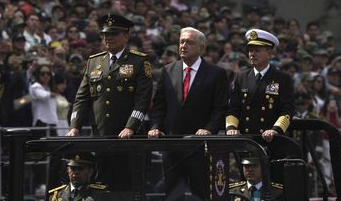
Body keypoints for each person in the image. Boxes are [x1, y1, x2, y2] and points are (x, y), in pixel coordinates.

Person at [67, 14, 153, 192]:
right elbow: (81, 98)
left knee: (129, 187)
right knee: (102, 186)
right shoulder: (94, 62)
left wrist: (131, 126)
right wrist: (75, 125)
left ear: (126, 36)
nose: (108, 38)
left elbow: (143, 99)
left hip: (130, 138)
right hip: (101, 135)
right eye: (105, 34)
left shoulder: (139, 61)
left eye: (114, 34)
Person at [148, 27, 229, 200]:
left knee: (201, 193)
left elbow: (220, 108)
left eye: (189, 42)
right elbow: (159, 106)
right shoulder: (168, 71)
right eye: (182, 41)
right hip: (172, 146)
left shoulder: (217, 74)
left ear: (202, 48)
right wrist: (155, 126)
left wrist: (209, 129)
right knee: (172, 195)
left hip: (201, 146)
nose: (184, 45)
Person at [226, 29, 294, 142]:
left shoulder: (282, 78)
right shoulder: (241, 76)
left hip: (271, 139)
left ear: (269, 53)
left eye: (257, 50)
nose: (252, 54)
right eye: (250, 50)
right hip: (246, 139)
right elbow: (233, 107)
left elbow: (287, 110)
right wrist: (231, 127)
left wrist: (276, 130)